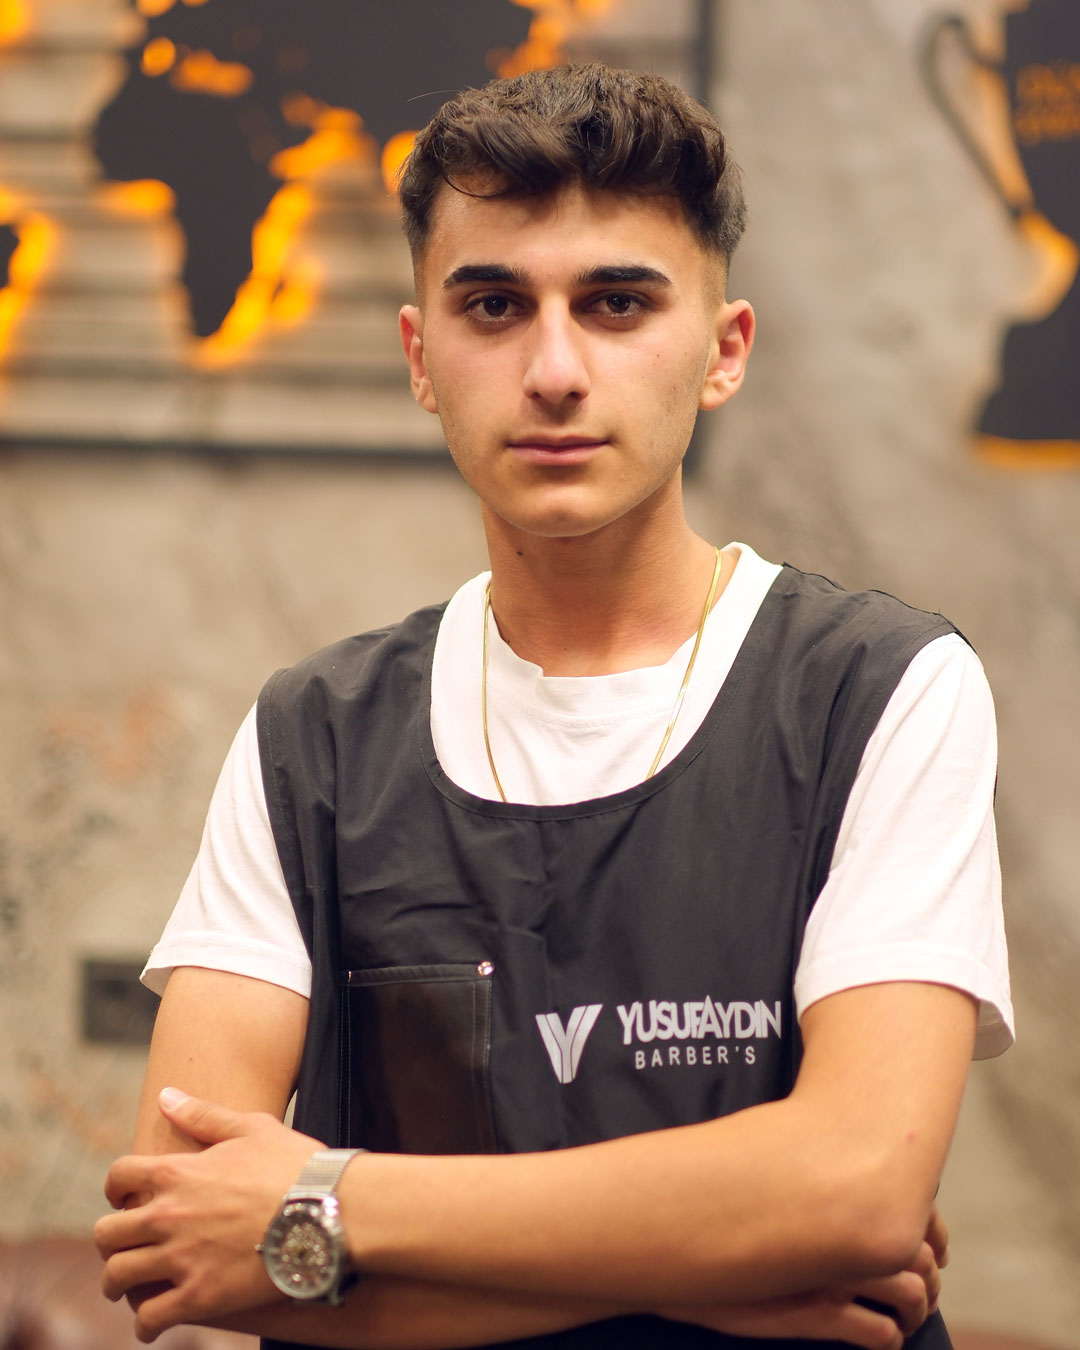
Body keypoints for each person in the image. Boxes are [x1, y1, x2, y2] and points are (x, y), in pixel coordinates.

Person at [94, 63, 1012, 1350]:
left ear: (723, 352)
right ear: (421, 357)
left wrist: (329, 1205)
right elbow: (185, 1244)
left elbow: (855, 1192)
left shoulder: (879, 690)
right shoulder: (319, 737)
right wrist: (734, 1262)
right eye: (494, 306)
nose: (556, 370)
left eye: (618, 303)